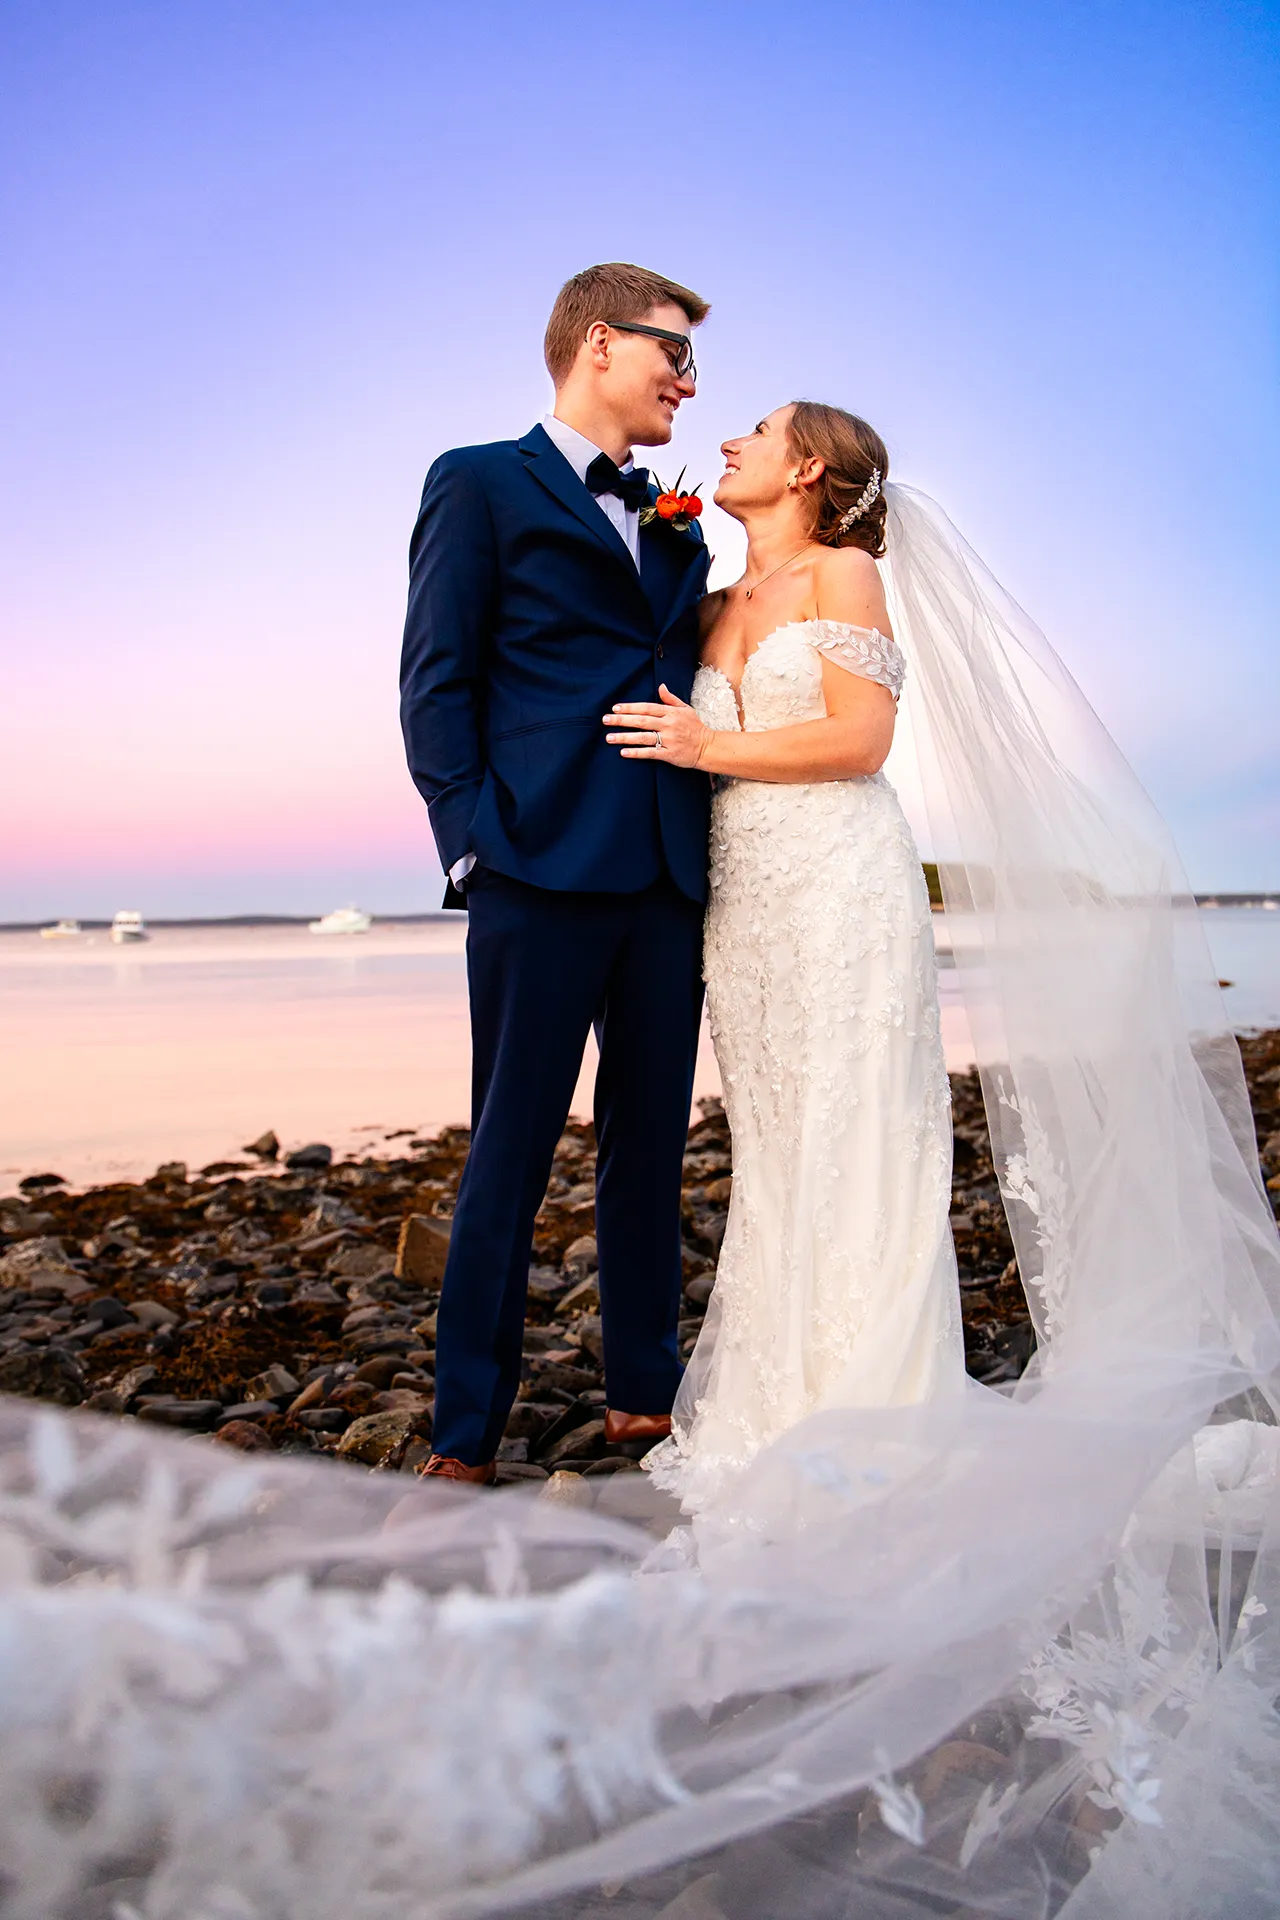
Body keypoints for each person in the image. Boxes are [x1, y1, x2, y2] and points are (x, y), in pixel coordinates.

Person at [603, 401, 967, 1512]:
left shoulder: (839, 574)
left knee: (851, 1121)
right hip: (744, 903)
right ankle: (778, 1393)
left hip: (839, 880)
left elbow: (862, 740)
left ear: (805, 467)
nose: (724, 441)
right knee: (774, 1140)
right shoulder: (705, 599)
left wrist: (710, 742)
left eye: (754, 431)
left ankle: (874, 1404)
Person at [399, 263, 713, 1482]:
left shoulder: (672, 517)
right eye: (671, 356)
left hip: (665, 873)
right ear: (598, 343)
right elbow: (437, 675)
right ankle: (463, 1433)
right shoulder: (478, 480)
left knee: (649, 1149)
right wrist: (472, 841)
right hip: (533, 866)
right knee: (509, 1151)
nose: (686, 382)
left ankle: (644, 1391)